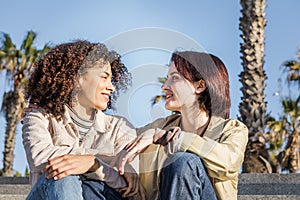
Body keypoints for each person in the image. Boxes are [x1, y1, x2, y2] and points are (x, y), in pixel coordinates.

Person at [111, 51, 248, 200]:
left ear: (200, 86)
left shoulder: (232, 129)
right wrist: (125, 164)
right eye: (168, 78)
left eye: (174, 78)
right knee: (96, 185)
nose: (164, 86)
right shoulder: (161, 126)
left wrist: (171, 138)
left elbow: (228, 162)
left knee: (184, 161)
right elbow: (119, 138)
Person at [22, 40, 145, 200]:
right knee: (63, 174)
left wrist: (93, 164)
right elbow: (40, 157)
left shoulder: (119, 127)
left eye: (111, 79)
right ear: (77, 78)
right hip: (50, 193)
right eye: (104, 77)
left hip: (101, 196)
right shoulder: (39, 115)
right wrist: (99, 164)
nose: (111, 87)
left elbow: (128, 184)